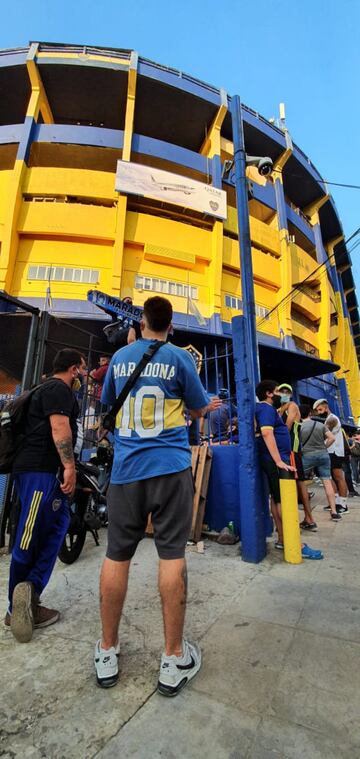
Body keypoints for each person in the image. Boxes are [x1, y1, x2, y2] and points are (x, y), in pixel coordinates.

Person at [94, 296, 222, 693]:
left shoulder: (120, 358)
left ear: (143, 320)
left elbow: (107, 408)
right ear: (171, 325)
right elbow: (200, 410)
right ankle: (172, 658)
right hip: (170, 468)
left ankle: (107, 651)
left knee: (117, 555)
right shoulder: (181, 359)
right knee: (172, 555)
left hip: (127, 471)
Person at [5, 348, 86, 643]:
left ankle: (31, 594)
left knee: (58, 525)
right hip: (39, 470)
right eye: (83, 370)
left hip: (44, 473)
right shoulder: (57, 389)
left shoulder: (45, 388)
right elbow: (59, 427)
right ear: (74, 369)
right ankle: (16, 610)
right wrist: (69, 467)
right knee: (29, 535)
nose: (84, 376)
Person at [255, 379, 323, 560]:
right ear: (269, 393)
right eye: (278, 391)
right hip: (276, 461)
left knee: (277, 499)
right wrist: (278, 460)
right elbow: (267, 433)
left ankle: (283, 539)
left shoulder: (269, 410)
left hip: (276, 460)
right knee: (284, 500)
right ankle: (296, 544)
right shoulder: (266, 409)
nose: (282, 395)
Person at [277, 383, 316, 531]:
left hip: (293, 450)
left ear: (291, 394)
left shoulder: (292, 406)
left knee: (299, 484)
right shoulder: (280, 409)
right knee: (293, 485)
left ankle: (309, 518)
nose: (284, 394)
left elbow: (286, 427)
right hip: (286, 451)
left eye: (287, 391)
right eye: (282, 391)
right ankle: (301, 518)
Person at [299, 404, 340, 520]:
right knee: (327, 482)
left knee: (299, 480)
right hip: (323, 455)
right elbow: (332, 438)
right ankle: (334, 511)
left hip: (307, 456)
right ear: (310, 413)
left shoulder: (300, 427)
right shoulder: (320, 425)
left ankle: (306, 512)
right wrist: (324, 447)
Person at [312, 399, 349, 515]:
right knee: (330, 477)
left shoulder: (332, 419)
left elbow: (323, 433)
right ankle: (335, 502)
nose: (319, 412)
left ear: (326, 407)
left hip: (335, 452)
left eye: (320, 409)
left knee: (338, 477)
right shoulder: (327, 419)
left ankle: (343, 504)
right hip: (329, 451)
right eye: (317, 410)